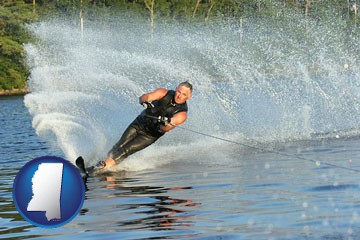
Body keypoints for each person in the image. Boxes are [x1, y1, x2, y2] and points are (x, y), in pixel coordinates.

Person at [88, 81, 193, 173]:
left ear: (188, 97)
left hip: (149, 135)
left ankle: (101, 167)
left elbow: (166, 129)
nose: (179, 96)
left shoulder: (182, 114)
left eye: (184, 94)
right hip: (139, 123)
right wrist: (145, 102)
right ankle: (102, 164)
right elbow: (144, 97)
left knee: (126, 150)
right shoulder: (163, 93)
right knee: (119, 145)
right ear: (176, 89)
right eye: (179, 92)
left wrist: (166, 123)